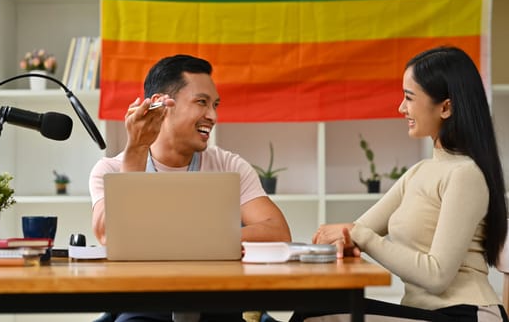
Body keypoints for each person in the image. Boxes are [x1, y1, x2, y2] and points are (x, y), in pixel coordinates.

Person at [291, 46, 509, 322]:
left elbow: (437, 275)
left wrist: (360, 236)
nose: (401, 107)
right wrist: (341, 238)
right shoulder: (419, 172)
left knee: (317, 317)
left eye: (409, 98)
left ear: (446, 107)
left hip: (464, 314)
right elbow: (358, 231)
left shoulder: (465, 175)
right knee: (314, 308)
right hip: (423, 313)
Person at [89, 54, 291, 322]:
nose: (213, 115)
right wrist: (136, 150)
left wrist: (182, 241)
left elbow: (278, 232)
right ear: (163, 104)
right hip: (143, 304)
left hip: (219, 304)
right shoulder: (110, 170)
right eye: (201, 103)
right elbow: (109, 236)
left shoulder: (229, 165)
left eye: (215, 104)